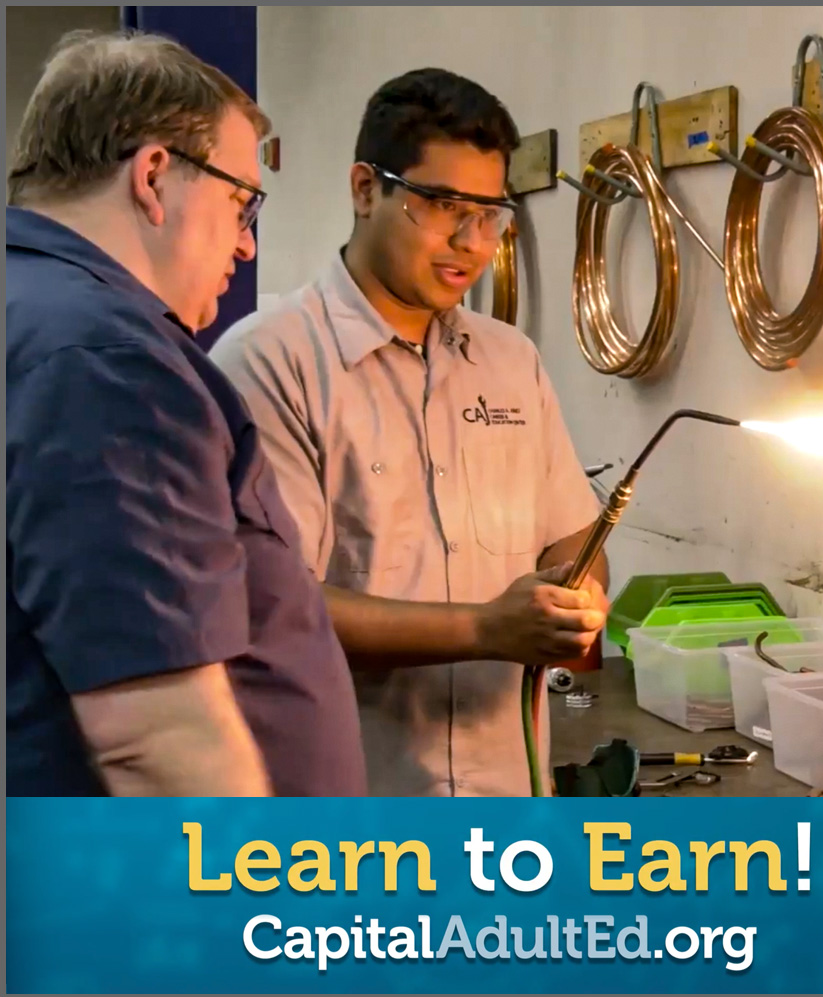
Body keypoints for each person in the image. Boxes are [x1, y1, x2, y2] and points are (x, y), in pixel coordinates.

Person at [210, 68, 609, 797]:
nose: (472, 241)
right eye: (442, 204)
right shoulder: (271, 362)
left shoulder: (509, 360)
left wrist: (574, 594)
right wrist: (487, 629)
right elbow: (273, 604)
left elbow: (570, 530)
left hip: (508, 799)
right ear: (366, 189)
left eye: (490, 213)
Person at [6, 30, 366, 797]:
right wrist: (248, 903)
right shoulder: (106, 362)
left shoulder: (29, 311)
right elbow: (157, 735)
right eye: (241, 202)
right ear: (154, 173)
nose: (244, 245)